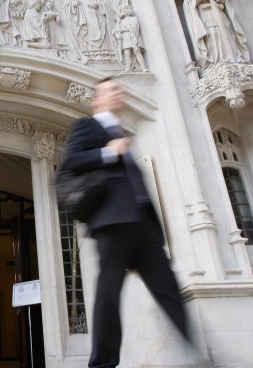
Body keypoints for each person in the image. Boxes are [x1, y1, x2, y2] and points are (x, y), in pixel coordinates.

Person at [61, 77, 193, 368]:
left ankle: (196, 351)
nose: (118, 93)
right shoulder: (88, 126)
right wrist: (110, 152)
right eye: (111, 90)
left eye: (119, 89)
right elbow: (72, 161)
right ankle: (102, 363)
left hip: (141, 224)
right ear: (96, 100)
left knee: (167, 287)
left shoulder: (121, 131)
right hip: (112, 222)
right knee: (109, 292)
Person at [182, 0, 249, 71]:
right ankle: (216, 60)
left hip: (218, 16)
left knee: (226, 34)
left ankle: (233, 56)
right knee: (212, 34)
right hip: (206, 17)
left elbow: (222, 2)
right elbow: (190, 6)